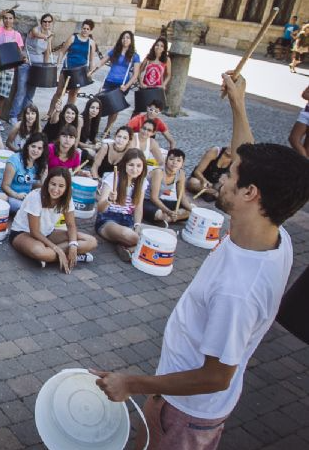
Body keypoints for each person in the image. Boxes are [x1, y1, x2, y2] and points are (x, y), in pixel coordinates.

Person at [92, 72, 309, 450]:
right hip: (180, 399)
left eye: (231, 176)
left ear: (250, 194)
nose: (221, 178)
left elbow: (216, 376)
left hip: (187, 412)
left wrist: (134, 383)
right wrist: (238, 105)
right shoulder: (275, 233)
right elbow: (251, 161)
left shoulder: (237, 293)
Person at [9, 167, 97, 272]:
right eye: (53, 184)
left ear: (66, 187)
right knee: (38, 251)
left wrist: (73, 245)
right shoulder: (36, 197)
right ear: (47, 183)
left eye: (61, 186)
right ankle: (71, 256)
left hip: (47, 234)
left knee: (91, 241)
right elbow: (35, 232)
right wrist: (57, 249)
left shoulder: (67, 199)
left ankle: (55, 257)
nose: (56, 190)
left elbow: (71, 225)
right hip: (22, 233)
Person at [94, 148, 147, 262]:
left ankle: (128, 247)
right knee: (129, 235)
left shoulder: (142, 182)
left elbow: (138, 207)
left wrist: (137, 225)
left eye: (139, 166)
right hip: (107, 220)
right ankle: (131, 246)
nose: (135, 169)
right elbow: (100, 208)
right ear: (124, 164)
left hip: (128, 221)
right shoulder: (112, 178)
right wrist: (108, 200)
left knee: (170, 234)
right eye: (131, 165)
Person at [90, 30, 141, 135]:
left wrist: (126, 86)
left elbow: (135, 75)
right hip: (109, 81)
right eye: (123, 38)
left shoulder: (135, 56)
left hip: (121, 85)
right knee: (99, 104)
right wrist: (92, 71)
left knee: (114, 108)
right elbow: (101, 62)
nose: (125, 40)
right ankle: (93, 128)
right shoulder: (114, 51)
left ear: (131, 40)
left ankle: (107, 130)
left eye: (127, 38)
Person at [8, 13, 54, 121]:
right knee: (21, 90)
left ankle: (25, 114)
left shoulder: (50, 34)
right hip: (26, 63)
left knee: (31, 92)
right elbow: (37, 35)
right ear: (41, 22)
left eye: (49, 22)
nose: (46, 23)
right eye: (45, 21)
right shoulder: (35, 30)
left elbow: (47, 52)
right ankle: (13, 115)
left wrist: (45, 66)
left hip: (37, 66)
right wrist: (48, 36)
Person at [0, 9, 24, 119]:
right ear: (3, 19)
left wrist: (22, 58)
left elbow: (19, 51)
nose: (8, 20)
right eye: (5, 18)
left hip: (8, 69)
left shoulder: (17, 35)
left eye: (10, 18)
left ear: (14, 20)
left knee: (1, 97)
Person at [53, 19, 97, 107]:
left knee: (73, 94)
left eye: (88, 29)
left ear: (90, 30)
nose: (85, 30)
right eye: (84, 28)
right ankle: (50, 113)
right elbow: (62, 52)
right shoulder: (73, 38)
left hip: (79, 72)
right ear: (81, 28)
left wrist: (91, 72)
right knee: (59, 92)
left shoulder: (91, 43)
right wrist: (58, 64)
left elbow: (91, 59)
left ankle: (68, 112)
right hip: (67, 69)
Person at [2, 132, 48, 213]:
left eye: (39, 148)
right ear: (27, 146)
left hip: (27, 198)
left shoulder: (40, 164)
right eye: (33, 146)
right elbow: (5, 186)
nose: (35, 150)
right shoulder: (15, 160)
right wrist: (16, 195)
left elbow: (40, 186)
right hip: (11, 196)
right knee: (28, 209)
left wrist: (44, 177)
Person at [144, 148, 191, 224]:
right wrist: (168, 211)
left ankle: (167, 219)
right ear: (166, 160)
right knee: (159, 214)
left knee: (191, 208)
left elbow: (181, 197)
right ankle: (166, 218)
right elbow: (153, 198)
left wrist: (194, 211)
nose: (174, 163)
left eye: (178, 161)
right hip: (145, 200)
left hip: (158, 201)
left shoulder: (181, 174)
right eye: (171, 159)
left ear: (183, 164)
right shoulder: (159, 172)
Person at [77, 97, 104, 163]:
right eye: (92, 107)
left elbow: (92, 137)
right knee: (94, 154)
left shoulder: (93, 119)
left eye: (97, 108)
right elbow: (76, 142)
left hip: (84, 145)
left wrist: (98, 143)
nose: (94, 110)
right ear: (87, 108)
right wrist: (92, 146)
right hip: (75, 147)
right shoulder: (80, 119)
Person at [288, 84, 309, 157]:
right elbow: (304, 95)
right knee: (293, 139)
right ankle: (304, 164)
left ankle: (303, 165)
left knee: (307, 149)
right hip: (306, 114)